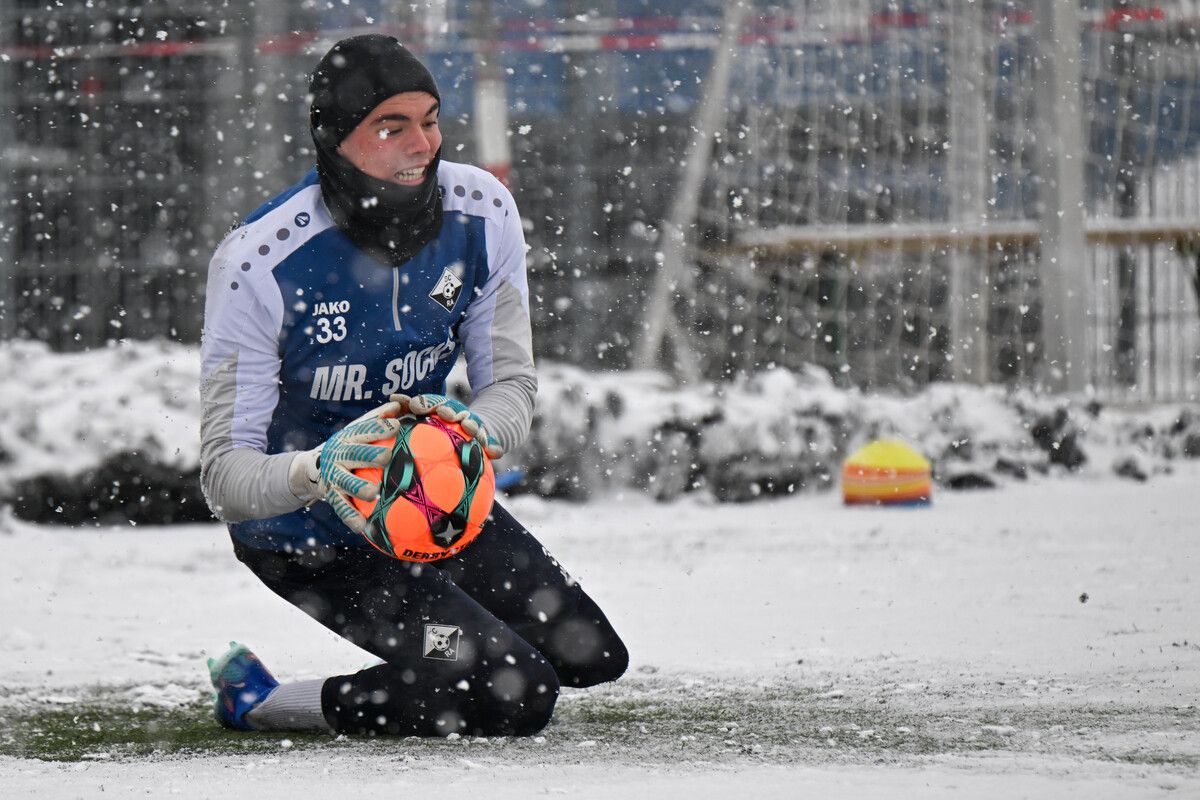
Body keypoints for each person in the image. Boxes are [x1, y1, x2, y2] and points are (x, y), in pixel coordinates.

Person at [198, 34, 627, 738]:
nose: (421, 144)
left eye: (429, 120)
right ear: (335, 139)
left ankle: (452, 661)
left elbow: (512, 384)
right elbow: (225, 478)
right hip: (306, 536)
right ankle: (263, 704)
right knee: (518, 695)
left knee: (593, 656)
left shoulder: (483, 211)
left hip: (430, 499)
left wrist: (476, 429)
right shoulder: (258, 261)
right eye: (390, 127)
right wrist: (319, 471)